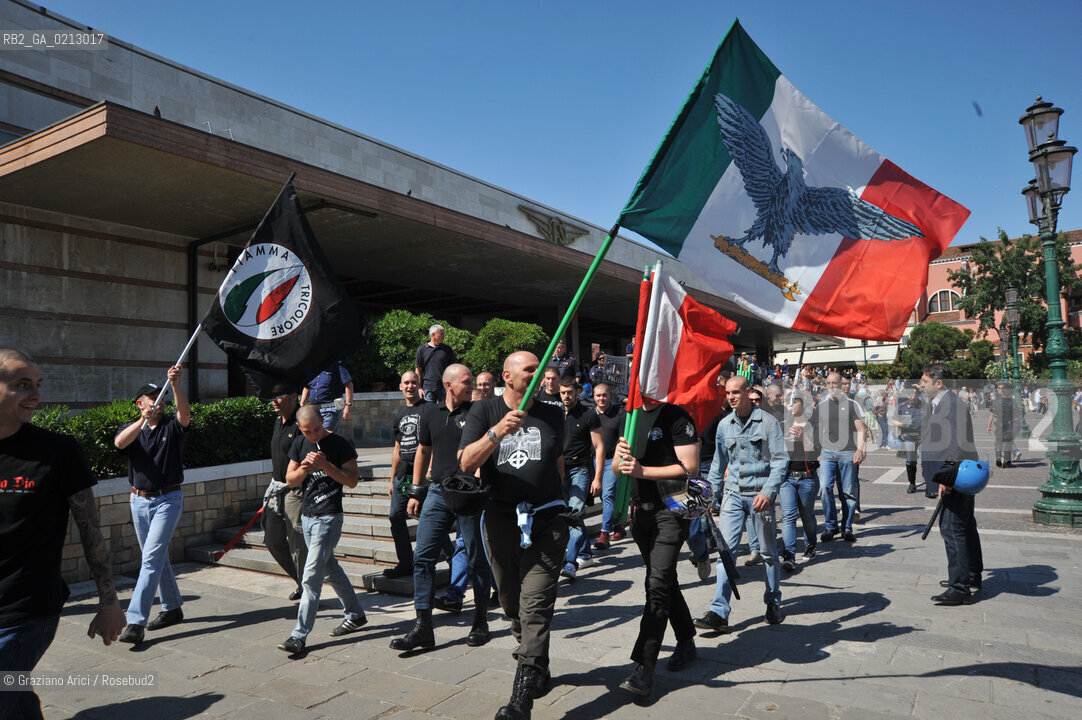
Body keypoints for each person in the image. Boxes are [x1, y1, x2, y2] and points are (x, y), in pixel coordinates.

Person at [0, 349, 126, 720]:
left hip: (25, 610)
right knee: (15, 694)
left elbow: (91, 531)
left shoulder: (57, 452)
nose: (35, 394)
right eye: (22, 385)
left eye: (37, 384)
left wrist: (108, 601)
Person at [460, 351, 566, 720]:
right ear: (507, 375)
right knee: (511, 602)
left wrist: (564, 501)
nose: (538, 375)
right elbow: (466, 462)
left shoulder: (554, 413)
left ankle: (521, 698)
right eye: (530, 370)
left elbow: (557, 462)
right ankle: (538, 661)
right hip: (501, 519)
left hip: (547, 520)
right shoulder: (483, 411)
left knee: (535, 605)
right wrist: (496, 433)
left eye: (540, 369)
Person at [391, 364, 492, 651]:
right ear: (448, 385)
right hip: (437, 491)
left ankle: (480, 621)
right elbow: (423, 451)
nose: (472, 386)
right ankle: (423, 626)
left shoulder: (478, 412)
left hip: (469, 493)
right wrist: (415, 491)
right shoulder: (430, 414)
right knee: (423, 556)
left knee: (475, 557)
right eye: (467, 381)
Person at [614, 401, 700, 697]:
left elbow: (690, 466)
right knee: (663, 580)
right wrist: (624, 464)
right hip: (642, 515)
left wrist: (642, 471)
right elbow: (617, 465)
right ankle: (686, 639)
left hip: (671, 510)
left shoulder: (676, 416)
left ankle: (644, 667)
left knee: (657, 585)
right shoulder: (631, 416)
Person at [694, 375, 787, 635]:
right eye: (727, 393)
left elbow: (780, 461)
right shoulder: (724, 425)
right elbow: (718, 464)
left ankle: (773, 601)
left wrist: (768, 492)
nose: (731, 397)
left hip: (760, 494)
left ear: (748, 392)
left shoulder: (768, 424)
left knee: (768, 552)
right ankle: (719, 612)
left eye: (736, 392)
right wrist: (709, 496)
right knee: (725, 552)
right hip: (733, 495)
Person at [277, 405, 367, 654]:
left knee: (311, 576)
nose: (314, 435)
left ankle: (299, 635)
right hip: (307, 516)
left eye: (317, 429)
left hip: (329, 517)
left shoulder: (340, 443)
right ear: (300, 428)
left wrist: (326, 466)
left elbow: (352, 481)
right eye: (308, 431)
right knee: (330, 569)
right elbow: (290, 480)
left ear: (323, 421)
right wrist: (305, 468)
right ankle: (356, 614)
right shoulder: (299, 444)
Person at [114, 365, 191, 646]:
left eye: (161, 397)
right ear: (140, 403)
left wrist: (176, 385)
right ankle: (172, 608)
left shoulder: (172, 426)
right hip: (138, 501)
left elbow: (185, 416)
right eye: (152, 398)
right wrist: (141, 422)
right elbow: (120, 443)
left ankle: (135, 622)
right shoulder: (132, 429)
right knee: (157, 559)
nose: (158, 402)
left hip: (168, 499)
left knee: (150, 560)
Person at [919, 363, 983, 606]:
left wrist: (947, 478)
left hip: (955, 476)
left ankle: (960, 588)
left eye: (924, 381)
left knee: (952, 529)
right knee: (966, 526)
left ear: (939, 383)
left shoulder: (951, 404)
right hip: (958, 475)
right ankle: (970, 575)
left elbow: (956, 445)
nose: (920, 385)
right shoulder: (943, 404)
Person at [263, 383, 307, 601]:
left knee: (298, 545)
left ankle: (308, 587)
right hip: (276, 489)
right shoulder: (277, 423)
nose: (274, 402)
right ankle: (301, 581)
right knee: (272, 539)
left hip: (295, 492)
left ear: (293, 396)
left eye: (278, 397)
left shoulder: (302, 422)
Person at [811, 372, 867, 543]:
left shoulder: (851, 405)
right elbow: (815, 430)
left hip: (848, 452)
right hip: (828, 452)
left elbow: (861, 429)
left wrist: (860, 450)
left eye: (834, 383)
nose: (831, 387)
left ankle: (847, 527)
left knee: (848, 493)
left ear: (841, 385)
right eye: (828, 383)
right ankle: (831, 526)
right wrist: (817, 452)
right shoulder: (822, 406)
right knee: (825, 488)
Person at [557, 377, 603, 580]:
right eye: (563, 392)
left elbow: (599, 447)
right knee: (567, 516)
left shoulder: (588, 414)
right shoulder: (555, 413)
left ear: (577, 392)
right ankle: (585, 553)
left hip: (580, 470)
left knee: (574, 515)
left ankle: (570, 563)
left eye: (570, 392)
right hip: (558, 471)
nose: (566, 396)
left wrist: (598, 477)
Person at [385, 371, 427, 579]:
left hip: (423, 472)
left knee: (428, 517)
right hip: (403, 473)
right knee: (395, 517)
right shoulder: (400, 414)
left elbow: (432, 445)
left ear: (419, 385)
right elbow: (397, 448)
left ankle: (453, 561)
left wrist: (429, 472)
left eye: (413, 382)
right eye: (406, 383)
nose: (410, 386)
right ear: (400, 386)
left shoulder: (429, 409)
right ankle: (405, 562)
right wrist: (393, 478)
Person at [779, 395, 819, 569]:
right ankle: (789, 554)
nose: (791, 405)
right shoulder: (781, 426)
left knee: (807, 516)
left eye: (795, 402)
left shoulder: (812, 426)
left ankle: (811, 544)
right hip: (787, 478)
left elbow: (815, 452)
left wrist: (803, 437)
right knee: (788, 517)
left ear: (802, 406)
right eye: (788, 402)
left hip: (807, 478)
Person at [591, 383, 627, 551]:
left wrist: (618, 461)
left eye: (604, 395)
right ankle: (618, 525)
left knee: (608, 494)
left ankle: (604, 533)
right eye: (598, 396)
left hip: (612, 460)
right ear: (593, 397)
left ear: (609, 396)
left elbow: (623, 438)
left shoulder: (619, 413)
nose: (601, 398)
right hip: (592, 460)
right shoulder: (590, 414)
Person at [299, 359, 353, 431]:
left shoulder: (337, 364)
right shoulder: (312, 367)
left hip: (331, 410)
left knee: (324, 436)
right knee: (316, 437)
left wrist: (348, 405)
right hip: (315, 411)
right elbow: (307, 387)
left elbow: (348, 384)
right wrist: (302, 404)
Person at [415, 324, 456, 403]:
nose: (443, 336)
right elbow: (418, 370)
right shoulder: (422, 349)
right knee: (428, 411)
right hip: (428, 387)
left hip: (445, 387)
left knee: (445, 411)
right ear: (433, 334)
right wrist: (419, 388)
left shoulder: (447, 349)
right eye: (441, 334)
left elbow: (453, 368)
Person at [894, 388, 922, 494]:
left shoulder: (924, 405)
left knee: (925, 461)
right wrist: (901, 424)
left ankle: (929, 485)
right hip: (909, 437)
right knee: (911, 461)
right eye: (910, 394)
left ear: (918, 395)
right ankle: (912, 483)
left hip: (923, 437)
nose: (912, 397)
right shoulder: (902, 406)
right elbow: (894, 419)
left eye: (914, 394)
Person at [988, 383, 1015, 468]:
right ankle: (1007, 461)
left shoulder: (996, 401)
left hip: (999, 424)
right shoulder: (1012, 401)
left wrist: (989, 426)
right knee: (1007, 442)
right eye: (998, 388)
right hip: (1009, 424)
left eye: (1000, 388)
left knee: (999, 442)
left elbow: (992, 414)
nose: (998, 389)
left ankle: (999, 457)